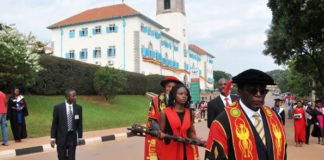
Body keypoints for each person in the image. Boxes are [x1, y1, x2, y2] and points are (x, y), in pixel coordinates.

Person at [205, 69, 287, 160]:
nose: (258, 94)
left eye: (263, 91)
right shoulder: (222, 122)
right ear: (240, 91)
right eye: (253, 91)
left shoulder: (274, 117)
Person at [158, 84, 202, 160]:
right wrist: (160, 134)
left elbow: (189, 133)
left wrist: (200, 140)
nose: (184, 96)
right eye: (180, 94)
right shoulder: (164, 113)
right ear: (174, 95)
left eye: (186, 94)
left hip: (187, 151)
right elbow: (161, 132)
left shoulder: (190, 113)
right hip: (170, 151)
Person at [144, 76, 183, 160]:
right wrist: (162, 133)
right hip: (162, 139)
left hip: (178, 140)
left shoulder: (182, 100)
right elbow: (152, 120)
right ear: (165, 88)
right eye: (168, 86)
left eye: (173, 87)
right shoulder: (156, 100)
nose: (170, 88)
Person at [50, 89, 83, 160]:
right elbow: (54, 124)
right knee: (62, 157)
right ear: (67, 97)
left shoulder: (78, 108)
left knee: (71, 158)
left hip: (72, 137)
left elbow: (80, 123)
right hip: (61, 137)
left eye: (75, 95)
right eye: (73, 96)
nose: (75, 97)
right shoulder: (58, 107)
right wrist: (52, 138)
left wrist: (80, 137)